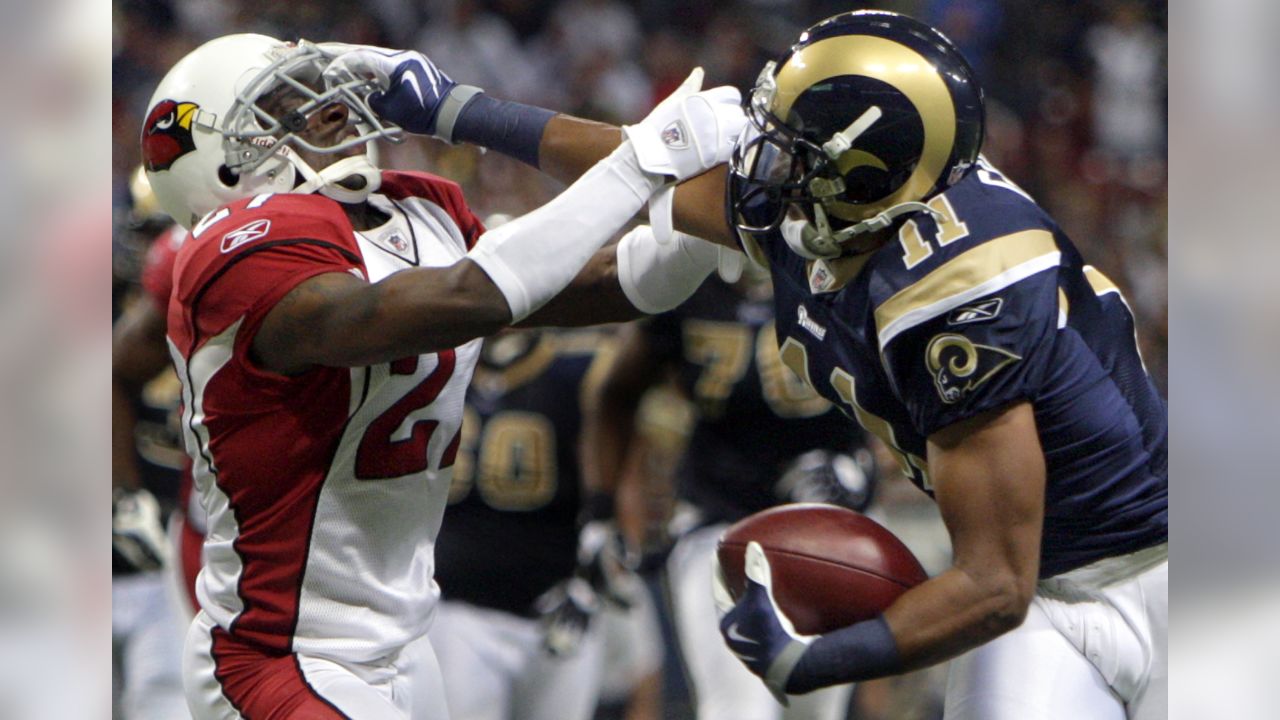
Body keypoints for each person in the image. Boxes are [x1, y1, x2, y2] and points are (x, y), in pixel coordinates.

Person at [329, 8, 1165, 720]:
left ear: (860, 173)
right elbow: (641, 170)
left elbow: (994, 583)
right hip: (1052, 591)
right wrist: (453, 110)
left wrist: (817, 661)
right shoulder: (855, 208)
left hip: (1131, 580)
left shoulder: (958, 295)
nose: (765, 157)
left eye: (792, 146)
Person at [143, 34, 744, 719]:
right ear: (226, 164)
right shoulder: (231, 254)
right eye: (286, 102)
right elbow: (465, 298)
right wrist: (646, 154)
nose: (331, 106)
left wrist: (704, 227)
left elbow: (616, 281)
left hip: (406, 642)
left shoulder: (414, 209)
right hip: (281, 650)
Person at [585, 272, 877, 720]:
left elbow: (909, 387)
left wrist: (863, 463)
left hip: (831, 532)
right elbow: (616, 393)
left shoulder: (839, 270)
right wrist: (601, 512)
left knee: (816, 711)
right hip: (723, 526)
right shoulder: (691, 283)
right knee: (736, 710)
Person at [427, 325, 636, 720]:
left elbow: (622, 457)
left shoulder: (580, 369)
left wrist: (605, 541)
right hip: (458, 608)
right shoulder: (441, 363)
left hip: (556, 606)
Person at [111, 168, 195, 720]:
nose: (155, 250)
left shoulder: (219, 305)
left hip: (179, 546)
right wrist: (122, 497)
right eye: (147, 235)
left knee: (163, 700)